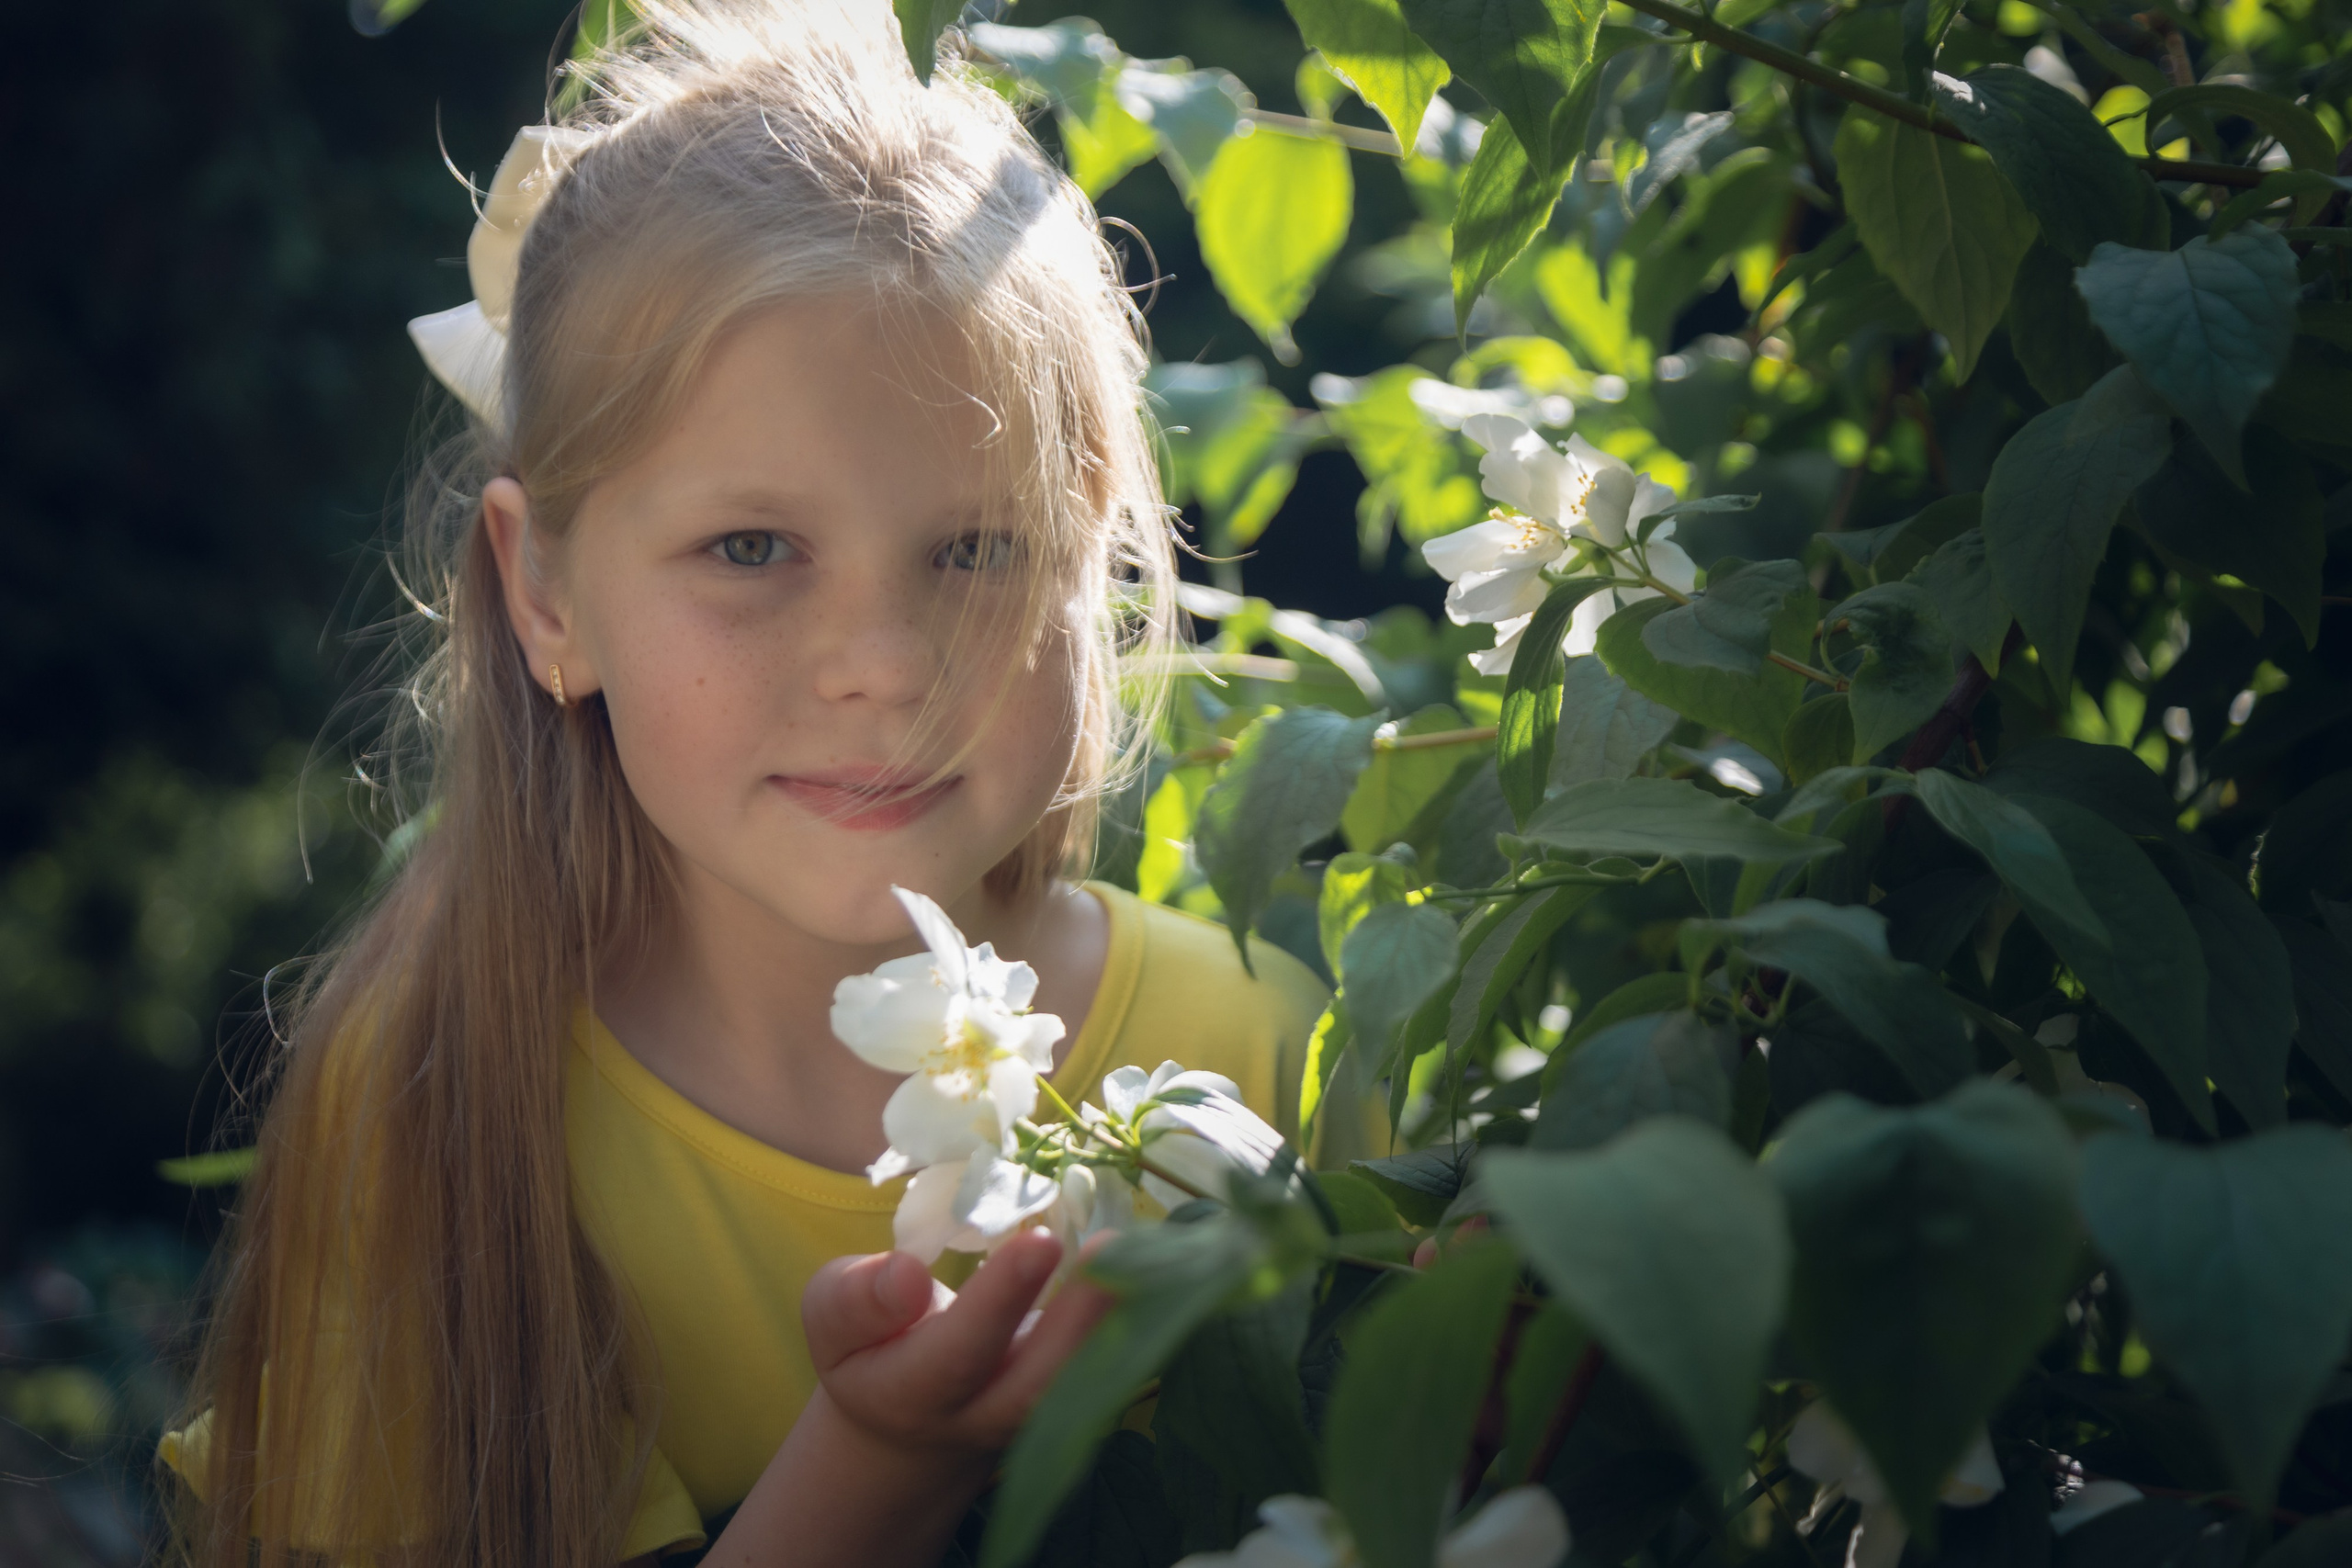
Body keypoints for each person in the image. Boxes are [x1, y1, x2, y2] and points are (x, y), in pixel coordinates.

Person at [160, 4, 1366, 1562]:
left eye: (979, 549)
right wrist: (875, 1468)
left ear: (1093, 560)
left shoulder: (1284, 1060)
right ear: (548, 600)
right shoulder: (439, 1118)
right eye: (750, 550)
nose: (879, 663)